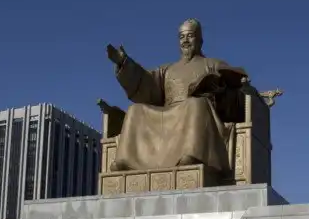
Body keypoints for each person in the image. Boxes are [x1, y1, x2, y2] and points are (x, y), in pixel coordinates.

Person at [105, 19, 248, 176]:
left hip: (199, 112)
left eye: (190, 36)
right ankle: (126, 160)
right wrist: (124, 63)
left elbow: (236, 90)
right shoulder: (167, 69)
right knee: (135, 109)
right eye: (181, 37)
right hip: (168, 114)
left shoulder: (213, 64)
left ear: (200, 40)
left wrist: (220, 90)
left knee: (195, 104)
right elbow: (146, 84)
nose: (185, 40)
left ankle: (193, 154)